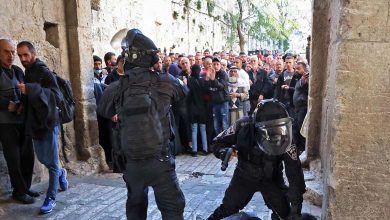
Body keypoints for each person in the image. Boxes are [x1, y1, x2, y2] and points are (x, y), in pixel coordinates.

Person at [97, 29, 186, 220]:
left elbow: (104, 110)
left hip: (132, 163)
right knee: (172, 208)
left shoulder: (116, 87)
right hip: (160, 161)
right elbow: (183, 92)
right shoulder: (165, 81)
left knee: (135, 208)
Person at [207, 99, 306, 220]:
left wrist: (296, 207)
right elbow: (218, 142)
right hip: (244, 176)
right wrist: (223, 152)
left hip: (272, 178)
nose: (274, 135)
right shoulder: (243, 125)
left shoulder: (286, 137)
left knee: (284, 214)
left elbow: (294, 171)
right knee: (227, 209)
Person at [16, 41, 68, 214]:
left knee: (51, 163)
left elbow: (56, 96)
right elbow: (31, 97)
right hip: (36, 123)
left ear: (33, 53)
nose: (23, 59)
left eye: (25, 55)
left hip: (49, 122)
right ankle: (61, 174)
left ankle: (51, 198)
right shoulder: (28, 71)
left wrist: (30, 89)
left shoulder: (43, 71)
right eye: (20, 55)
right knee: (44, 159)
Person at [0, 39, 37, 204]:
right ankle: (19, 192)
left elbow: (24, 89)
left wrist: (22, 104)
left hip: (22, 120)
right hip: (5, 123)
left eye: (13, 52)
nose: (11, 55)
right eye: (6, 51)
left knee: (28, 156)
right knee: (14, 159)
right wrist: (7, 104)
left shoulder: (17, 70)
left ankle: (26, 187)